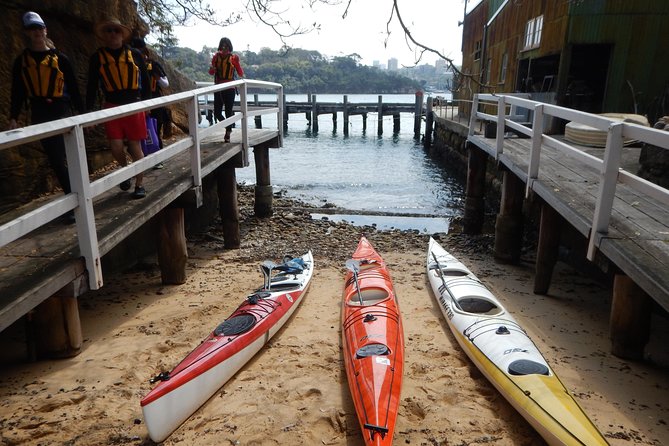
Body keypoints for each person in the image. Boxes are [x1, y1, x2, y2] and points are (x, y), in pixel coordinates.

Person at [9, 11, 84, 222]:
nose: (37, 33)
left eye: (39, 28)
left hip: (61, 109)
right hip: (39, 111)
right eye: (32, 29)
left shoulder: (61, 59)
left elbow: (75, 89)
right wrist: (14, 116)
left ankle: (75, 198)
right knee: (56, 159)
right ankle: (73, 199)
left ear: (45, 30)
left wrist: (83, 115)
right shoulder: (21, 62)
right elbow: (18, 91)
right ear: (27, 33)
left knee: (64, 156)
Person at [86, 17, 151, 199]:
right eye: (109, 31)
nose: (113, 34)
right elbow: (91, 86)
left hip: (134, 105)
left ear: (122, 35)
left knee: (135, 145)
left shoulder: (135, 55)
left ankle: (139, 183)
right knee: (115, 146)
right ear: (104, 35)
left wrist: (148, 105)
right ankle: (125, 170)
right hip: (111, 106)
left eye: (116, 31)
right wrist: (89, 111)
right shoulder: (97, 58)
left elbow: (145, 82)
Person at [131, 37, 169, 169]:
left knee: (156, 129)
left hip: (155, 101)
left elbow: (165, 84)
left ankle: (158, 158)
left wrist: (156, 76)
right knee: (141, 132)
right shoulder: (131, 64)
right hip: (139, 102)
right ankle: (144, 157)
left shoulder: (153, 65)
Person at [208, 37, 244, 142]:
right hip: (219, 87)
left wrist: (238, 68)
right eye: (222, 46)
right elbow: (211, 72)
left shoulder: (234, 57)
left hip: (230, 88)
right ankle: (229, 128)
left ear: (229, 46)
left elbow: (240, 72)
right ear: (220, 46)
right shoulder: (216, 57)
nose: (224, 48)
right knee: (217, 112)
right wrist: (212, 69)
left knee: (228, 111)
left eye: (226, 46)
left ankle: (227, 133)